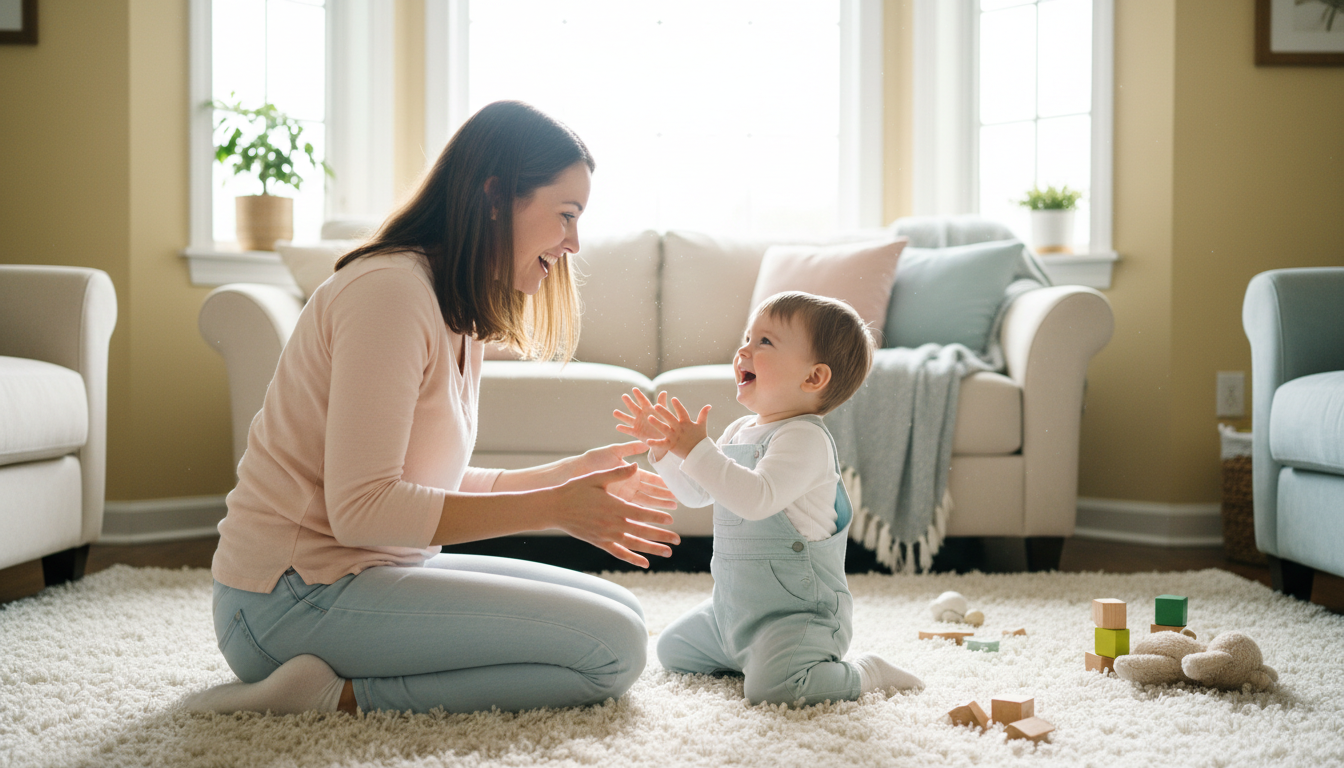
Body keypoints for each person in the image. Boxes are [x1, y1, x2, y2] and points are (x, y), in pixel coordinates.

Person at [185, 101, 681, 717]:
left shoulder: (456, 305)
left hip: (362, 576)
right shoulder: (389, 293)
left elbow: (423, 482)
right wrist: (555, 509)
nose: (574, 243)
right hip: (286, 601)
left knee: (624, 615)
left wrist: (566, 478)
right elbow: (362, 512)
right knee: (613, 649)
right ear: (496, 197)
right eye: (565, 216)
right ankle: (329, 697)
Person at [614, 291, 924, 706]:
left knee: (773, 690)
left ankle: (864, 671)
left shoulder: (806, 439)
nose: (743, 348)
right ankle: (752, 654)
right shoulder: (740, 431)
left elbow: (756, 499)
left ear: (813, 378)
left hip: (797, 617)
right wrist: (665, 451)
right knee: (673, 651)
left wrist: (699, 450)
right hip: (733, 614)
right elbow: (697, 494)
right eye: (747, 336)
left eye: (764, 342)